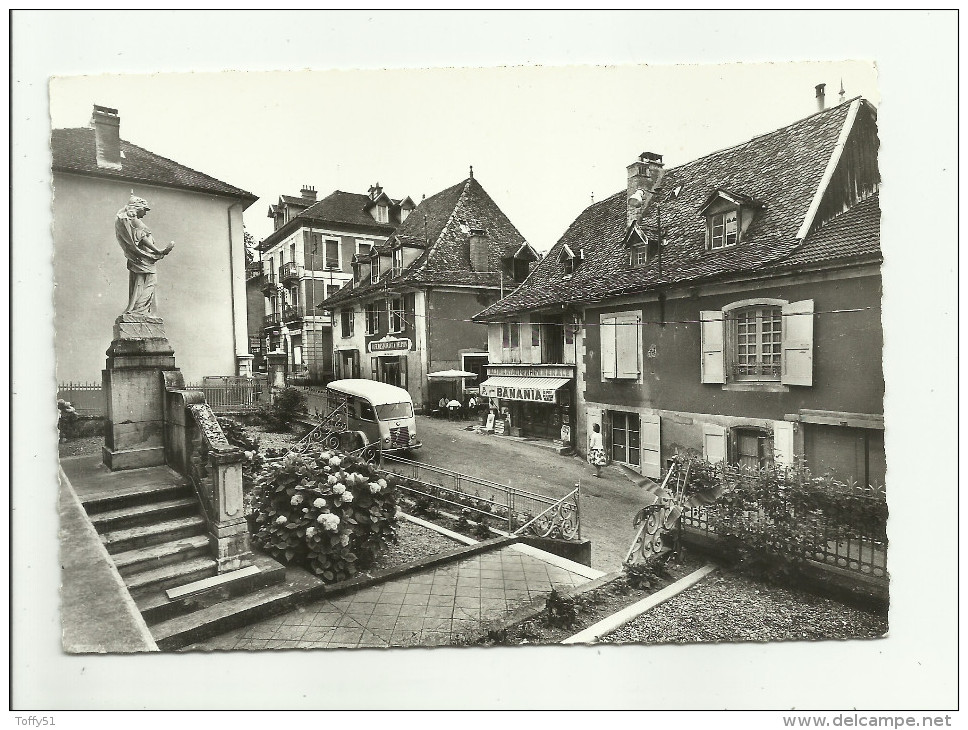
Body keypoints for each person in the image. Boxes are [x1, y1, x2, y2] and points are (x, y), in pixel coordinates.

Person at [114, 194, 175, 316]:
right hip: (144, 259)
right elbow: (142, 238)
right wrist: (158, 251)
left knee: (140, 283)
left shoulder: (131, 220)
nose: (145, 213)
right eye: (144, 209)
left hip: (141, 259)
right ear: (138, 207)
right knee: (151, 282)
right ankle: (138, 310)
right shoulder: (135, 221)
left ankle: (138, 310)